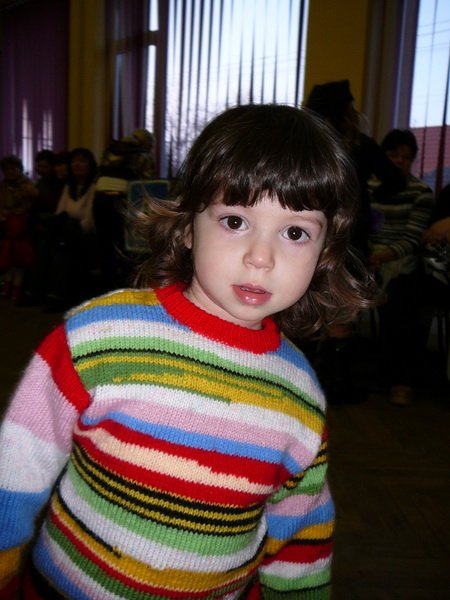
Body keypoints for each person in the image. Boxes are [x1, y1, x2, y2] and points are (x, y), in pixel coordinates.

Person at [0, 104, 374, 599]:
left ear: (324, 252)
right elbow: (18, 459)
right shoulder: (102, 335)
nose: (261, 257)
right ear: (187, 225)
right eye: (235, 220)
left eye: (295, 232)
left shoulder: (299, 395)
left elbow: (300, 535)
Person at [305, 79, 406, 404]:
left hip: (309, 236)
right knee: (342, 314)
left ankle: (302, 382)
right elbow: (395, 181)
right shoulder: (360, 146)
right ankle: (335, 386)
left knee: (306, 309)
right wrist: (369, 197)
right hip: (350, 238)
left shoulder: (307, 145)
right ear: (346, 112)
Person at [368, 129, 434, 405]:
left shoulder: (421, 192)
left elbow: (412, 239)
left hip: (399, 261)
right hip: (366, 257)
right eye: (393, 154)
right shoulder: (367, 187)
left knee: (402, 296)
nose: (399, 161)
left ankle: (400, 379)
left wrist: (382, 256)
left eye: (406, 157)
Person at [43, 147, 98, 311]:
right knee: (50, 245)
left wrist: (71, 232)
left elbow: (89, 220)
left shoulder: (94, 187)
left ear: (90, 165)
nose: (77, 165)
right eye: (74, 161)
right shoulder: (69, 187)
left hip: (84, 234)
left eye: (82, 161)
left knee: (66, 250)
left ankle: (61, 296)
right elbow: (60, 213)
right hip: (67, 231)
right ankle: (52, 294)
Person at [0, 154, 38, 302]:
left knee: (20, 260)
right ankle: (7, 285)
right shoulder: (2, 187)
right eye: (7, 169)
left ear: (20, 169)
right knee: (8, 259)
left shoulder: (27, 184)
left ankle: (16, 288)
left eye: (14, 169)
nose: (10, 172)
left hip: (22, 227)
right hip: (7, 227)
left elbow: (32, 202)